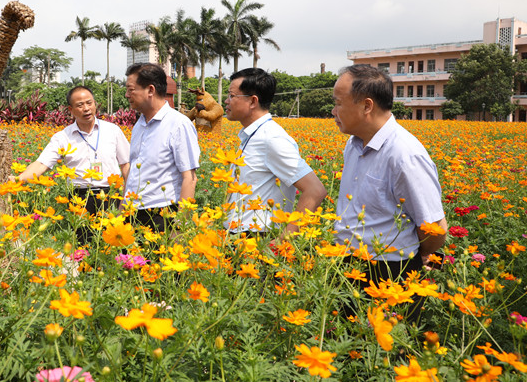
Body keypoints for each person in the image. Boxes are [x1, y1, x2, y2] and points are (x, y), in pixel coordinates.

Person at [332, 65, 446, 309]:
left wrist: (411, 253)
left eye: (339, 103)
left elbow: (435, 230)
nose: (333, 111)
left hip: (388, 273)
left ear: (367, 106)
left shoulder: (404, 155)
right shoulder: (353, 145)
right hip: (348, 266)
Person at [223, 68, 326, 236]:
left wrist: (284, 240)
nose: (226, 101)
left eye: (232, 96)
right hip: (238, 235)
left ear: (252, 101)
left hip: (257, 237)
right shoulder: (253, 135)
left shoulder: (272, 139)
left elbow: (315, 190)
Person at [17, 86, 130, 222]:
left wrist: (126, 200)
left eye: (89, 103)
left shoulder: (112, 131)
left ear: (95, 104)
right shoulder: (62, 137)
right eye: (80, 105)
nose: (86, 108)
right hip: (80, 199)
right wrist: (19, 180)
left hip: (111, 195)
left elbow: (126, 165)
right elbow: (42, 164)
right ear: (70, 110)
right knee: (83, 241)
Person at [123, 63, 200, 231]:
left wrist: (180, 227)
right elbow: (133, 173)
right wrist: (123, 211)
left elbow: (190, 178)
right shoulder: (139, 124)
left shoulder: (178, 124)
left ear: (150, 90)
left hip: (162, 216)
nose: (127, 95)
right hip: (133, 213)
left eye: (131, 89)